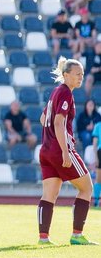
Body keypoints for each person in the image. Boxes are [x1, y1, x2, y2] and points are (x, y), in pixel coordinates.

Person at [37, 57, 96, 245]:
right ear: (66, 75)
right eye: (77, 74)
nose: (81, 77)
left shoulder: (55, 92)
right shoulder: (65, 93)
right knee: (87, 188)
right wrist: (64, 151)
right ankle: (77, 235)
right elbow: (58, 122)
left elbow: (42, 119)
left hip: (45, 149)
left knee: (49, 195)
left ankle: (43, 238)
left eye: (82, 74)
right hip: (59, 150)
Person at [91, 120, 101, 206]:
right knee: (98, 178)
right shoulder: (98, 125)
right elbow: (95, 144)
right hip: (100, 152)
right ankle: (96, 201)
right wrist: (96, 158)